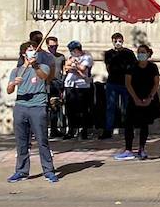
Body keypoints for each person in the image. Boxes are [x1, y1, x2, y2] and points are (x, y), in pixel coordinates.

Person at [6, 41, 58, 183]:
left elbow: (44, 77)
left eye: (34, 50)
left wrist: (34, 65)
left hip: (38, 106)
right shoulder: (16, 71)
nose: (33, 52)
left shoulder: (43, 67)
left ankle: (48, 171)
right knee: (21, 141)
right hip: (21, 107)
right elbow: (9, 90)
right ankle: (21, 171)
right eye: (30, 50)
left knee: (42, 140)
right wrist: (13, 84)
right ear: (23, 53)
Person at [118, 44, 160, 160]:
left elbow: (156, 83)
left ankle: (142, 149)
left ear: (148, 54)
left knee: (144, 124)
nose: (140, 54)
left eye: (143, 52)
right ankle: (128, 149)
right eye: (139, 52)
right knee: (129, 124)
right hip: (134, 98)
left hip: (148, 98)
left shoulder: (153, 67)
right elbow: (128, 83)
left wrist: (149, 98)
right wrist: (135, 98)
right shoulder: (131, 66)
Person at [101, 32, 135, 140]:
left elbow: (133, 66)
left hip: (125, 84)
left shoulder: (128, 53)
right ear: (112, 42)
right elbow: (108, 66)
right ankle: (108, 130)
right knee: (110, 107)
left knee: (127, 107)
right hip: (112, 83)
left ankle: (129, 129)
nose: (117, 43)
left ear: (123, 41)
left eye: (119, 41)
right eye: (115, 41)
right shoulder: (109, 53)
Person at [61, 41, 95, 139]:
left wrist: (75, 67)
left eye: (72, 50)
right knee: (70, 109)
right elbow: (66, 67)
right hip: (70, 85)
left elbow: (83, 68)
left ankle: (84, 131)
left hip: (82, 86)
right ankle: (71, 130)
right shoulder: (71, 58)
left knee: (83, 109)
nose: (71, 52)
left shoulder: (87, 57)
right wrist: (75, 67)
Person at [43, 35, 66, 138]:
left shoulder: (61, 57)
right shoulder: (43, 56)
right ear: (47, 46)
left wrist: (63, 82)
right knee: (43, 108)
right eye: (51, 46)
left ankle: (54, 130)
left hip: (57, 84)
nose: (54, 48)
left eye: (55, 46)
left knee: (55, 107)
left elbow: (63, 69)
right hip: (46, 84)